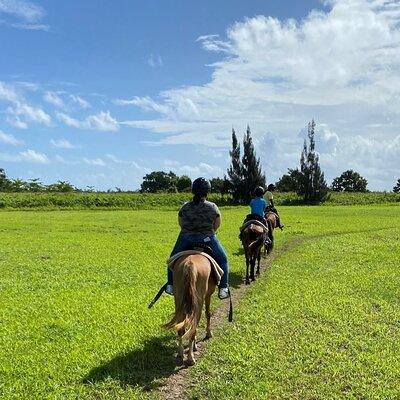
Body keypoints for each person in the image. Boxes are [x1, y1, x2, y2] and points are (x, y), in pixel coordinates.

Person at [165, 177, 230, 299]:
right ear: (208, 191)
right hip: (208, 238)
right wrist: (208, 233)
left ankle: (170, 285)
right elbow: (217, 224)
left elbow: (180, 222)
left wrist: (188, 232)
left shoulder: (185, 207)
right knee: (223, 260)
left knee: (172, 259)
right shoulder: (213, 207)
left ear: (193, 191)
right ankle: (223, 288)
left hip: (185, 238)